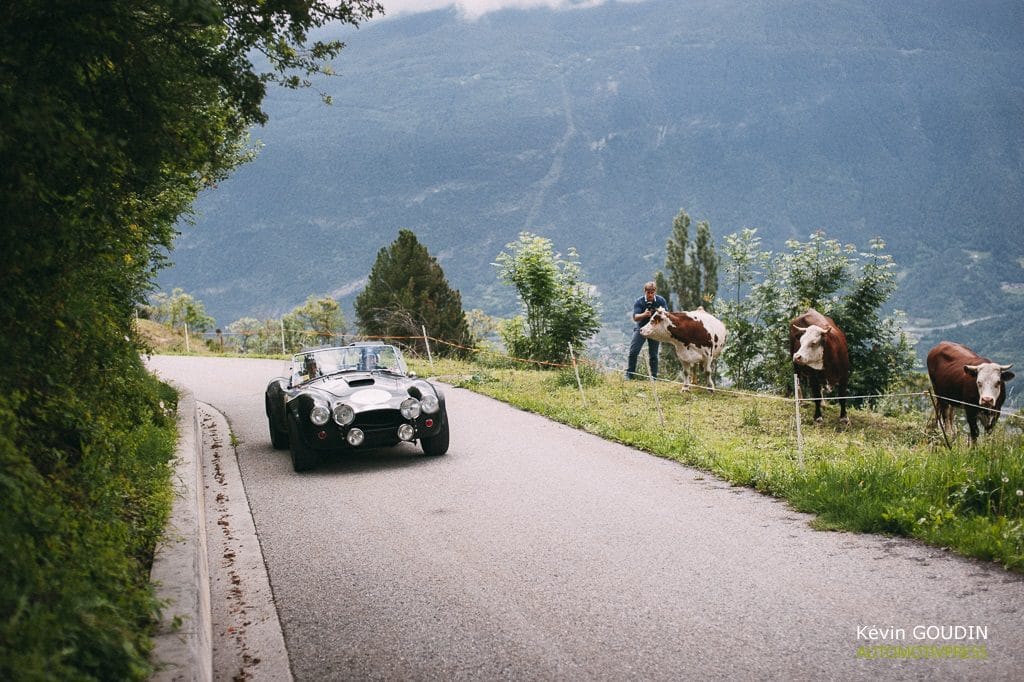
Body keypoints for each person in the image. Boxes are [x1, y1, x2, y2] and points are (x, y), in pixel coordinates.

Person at [626, 281, 669, 379]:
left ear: (655, 292)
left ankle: (654, 376)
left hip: (654, 330)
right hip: (640, 328)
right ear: (645, 291)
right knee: (633, 351)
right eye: (648, 292)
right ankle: (629, 374)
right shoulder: (639, 301)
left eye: (652, 292)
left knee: (653, 354)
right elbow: (635, 317)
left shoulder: (661, 300)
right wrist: (644, 315)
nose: (650, 294)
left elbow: (666, 314)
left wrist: (658, 315)